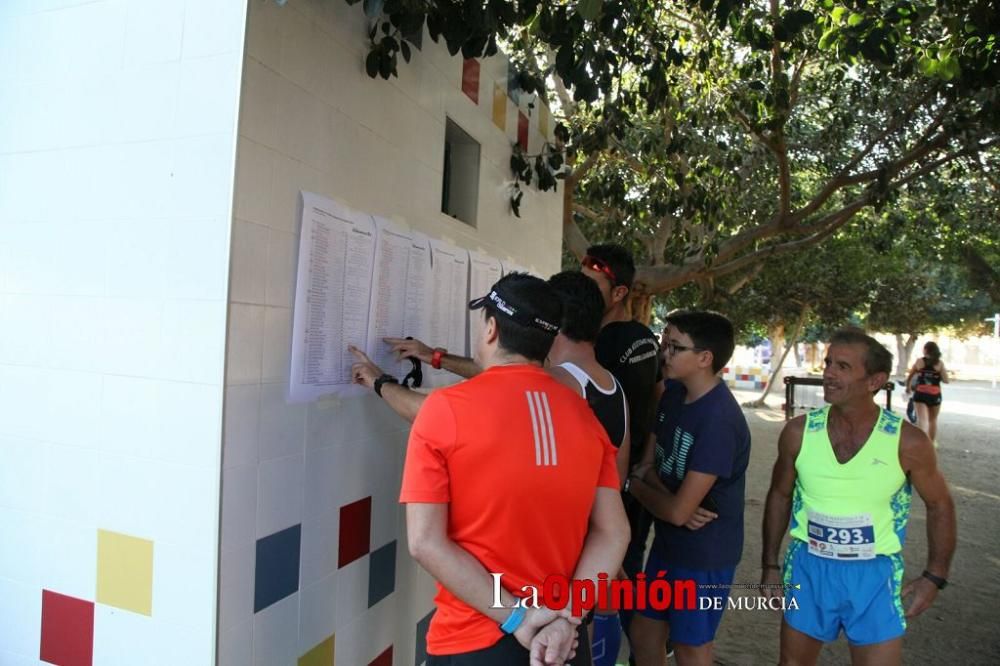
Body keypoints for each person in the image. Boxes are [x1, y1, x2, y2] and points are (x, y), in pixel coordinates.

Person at [400, 273, 631, 665]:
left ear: (491, 329)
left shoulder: (445, 409)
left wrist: (516, 617)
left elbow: (425, 542)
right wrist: (568, 618)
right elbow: (614, 531)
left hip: (474, 638)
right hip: (561, 644)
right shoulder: (584, 417)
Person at [761, 328, 956, 666]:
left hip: (874, 574)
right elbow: (779, 495)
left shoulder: (907, 442)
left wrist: (934, 576)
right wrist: (770, 565)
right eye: (828, 363)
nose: (828, 374)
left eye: (843, 367)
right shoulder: (798, 432)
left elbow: (940, 505)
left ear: (875, 381)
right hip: (809, 568)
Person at [625, 310, 750, 666]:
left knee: (690, 648)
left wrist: (636, 486)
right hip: (668, 543)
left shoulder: (719, 420)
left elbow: (675, 507)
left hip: (704, 555)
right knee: (644, 634)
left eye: (675, 347)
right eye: (665, 344)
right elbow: (647, 467)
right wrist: (655, 490)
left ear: (705, 358)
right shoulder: (672, 395)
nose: (664, 353)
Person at [579, 244, 662, 661]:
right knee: (619, 575)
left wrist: (637, 465)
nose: (581, 293)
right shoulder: (638, 338)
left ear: (619, 293)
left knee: (612, 581)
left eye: (591, 286)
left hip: (612, 485)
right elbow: (658, 394)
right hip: (619, 480)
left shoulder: (615, 341)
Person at [904, 341, 949, 445]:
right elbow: (946, 380)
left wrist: (908, 387)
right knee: (932, 420)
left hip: (920, 393)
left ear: (925, 350)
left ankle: (922, 444)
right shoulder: (940, 363)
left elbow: (910, 376)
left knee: (922, 420)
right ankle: (931, 444)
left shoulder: (919, 361)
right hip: (935, 394)